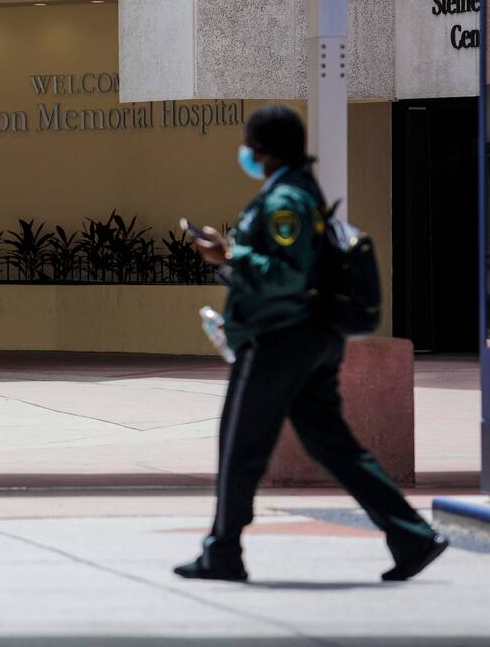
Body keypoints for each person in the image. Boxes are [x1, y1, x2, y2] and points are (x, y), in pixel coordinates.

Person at [174, 104, 447, 584]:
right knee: (333, 447)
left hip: (281, 339)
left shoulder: (286, 200)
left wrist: (230, 254)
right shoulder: (296, 191)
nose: (247, 153)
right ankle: (412, 536)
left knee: (240, 444)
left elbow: (288, 275)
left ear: (264, 149)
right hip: (307, 338)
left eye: (250, 145)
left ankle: (223, 552)